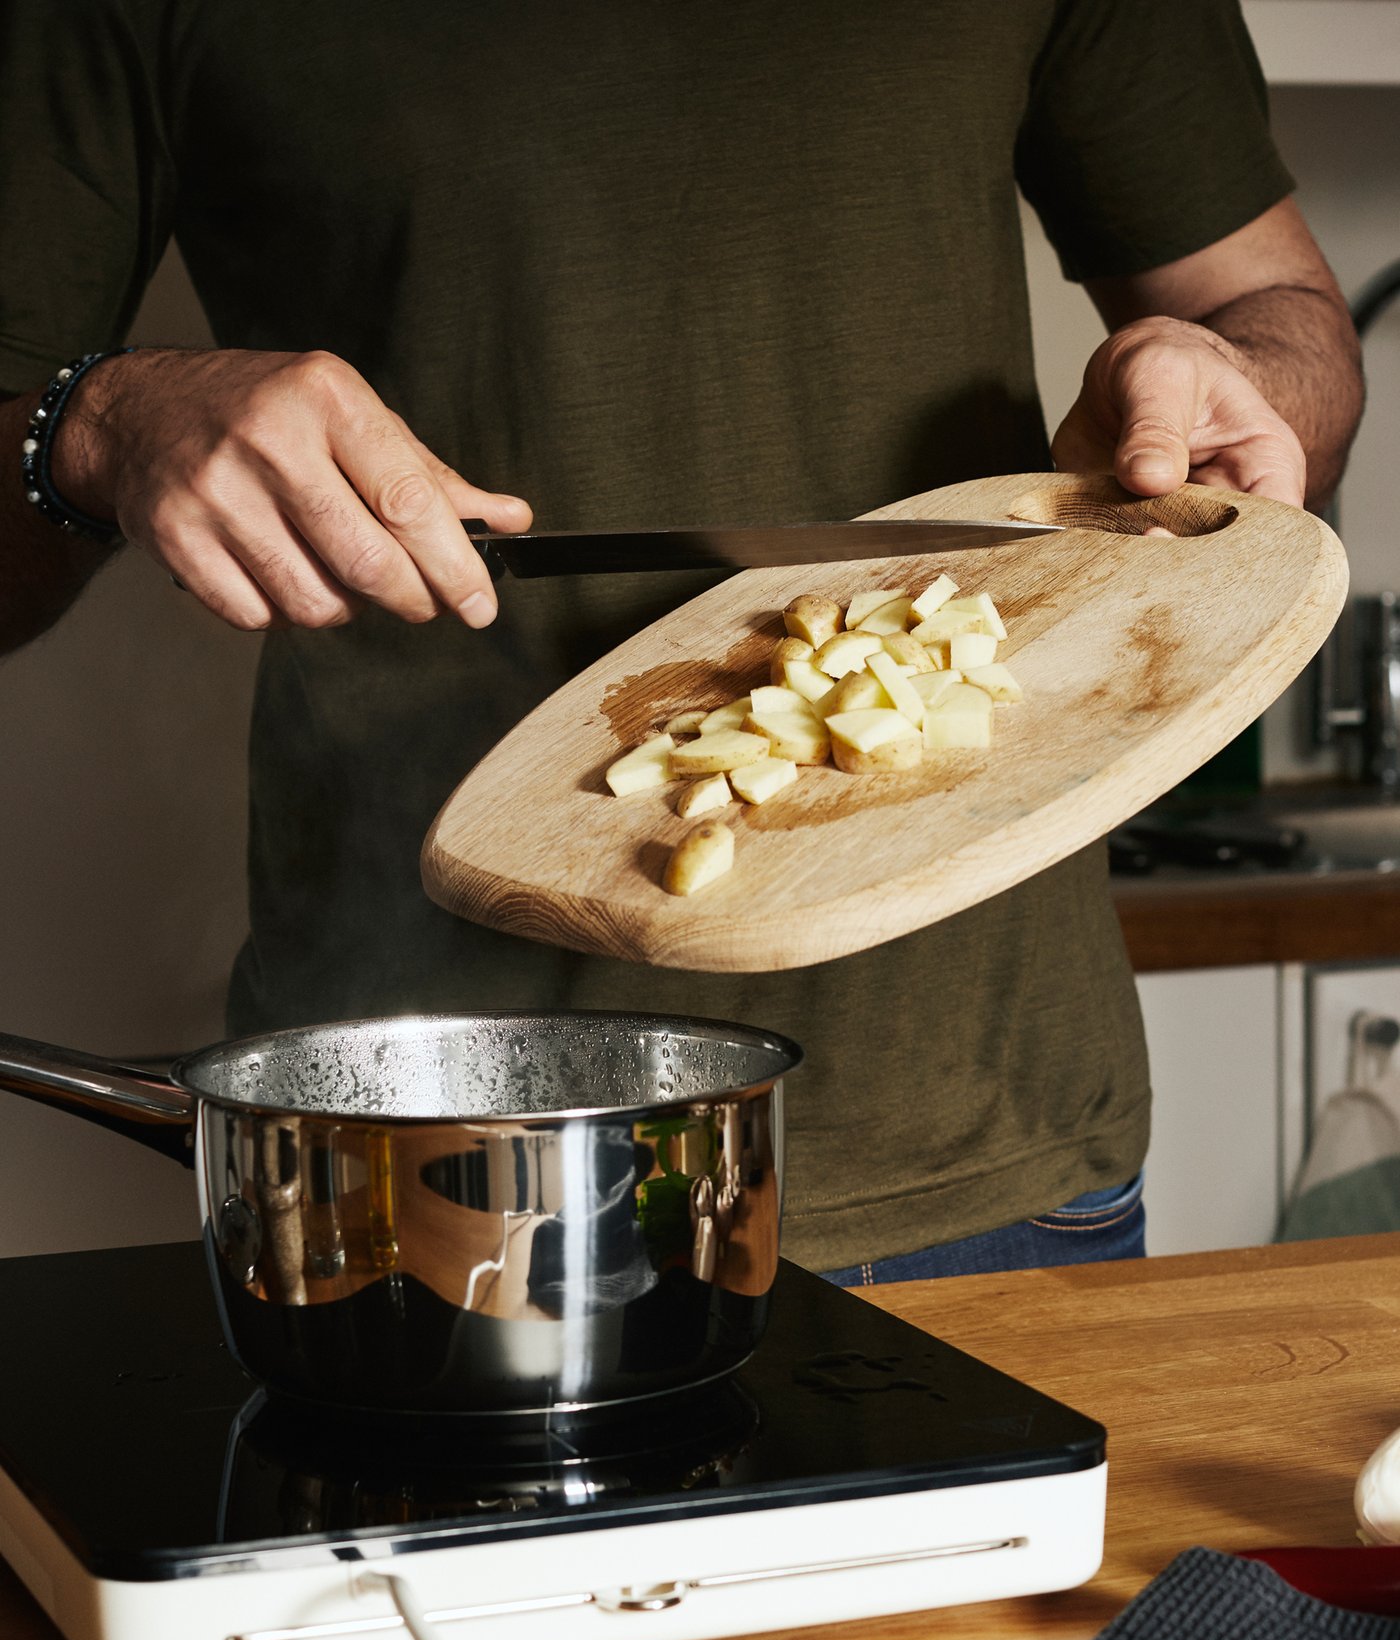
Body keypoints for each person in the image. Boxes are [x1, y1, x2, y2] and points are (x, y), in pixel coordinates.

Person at [0, 2, 1363, 1283]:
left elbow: (1284, 319)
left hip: (983, 1151)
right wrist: (96, 426)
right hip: (431, 1153)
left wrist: (1236, 385)